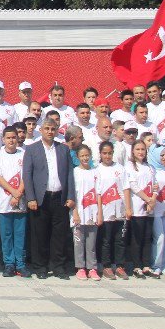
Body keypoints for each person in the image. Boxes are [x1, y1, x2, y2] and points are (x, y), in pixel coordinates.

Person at [22, 119, 74, 279]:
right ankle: (40, 267)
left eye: (53, 129)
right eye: (47, 128)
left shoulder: (63, 150)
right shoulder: (31, 149)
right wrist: (30, 197)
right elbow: (27, 175)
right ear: (41, 130)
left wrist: (71, 196)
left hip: (59, 197)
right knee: (40, 234)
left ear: (58, 130)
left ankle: (58, 267)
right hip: (40, 198)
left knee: (59, 235)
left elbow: (70, 175)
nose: (50, 131)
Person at [0, 127, 28, 277]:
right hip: (4, 202)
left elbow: (27, 175)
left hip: (20, 201)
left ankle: (20, 264)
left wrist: (18, 194)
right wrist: (13, 192)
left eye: (14, 137)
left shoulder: (24, 154)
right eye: (8, 138)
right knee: (6, 235)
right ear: (3, 139)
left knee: (20, 234)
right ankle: (9, 264)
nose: (11, 140)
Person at [96, 140, 129, 280]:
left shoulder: (120, 168)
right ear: (100, 154)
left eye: (110, 153)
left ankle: (120, 265)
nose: (107, 156)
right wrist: (100, 212)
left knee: (120, 239)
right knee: (106, 240)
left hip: (119, 210)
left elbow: (126, 188)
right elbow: (97, 192)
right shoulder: (97, 169)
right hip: (105, 210)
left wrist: (128, 208)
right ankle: (106, 266)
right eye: (105, 153)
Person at [124, 140, 156, 278]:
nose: (141, 152)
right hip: (137, 205)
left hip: (149, 206)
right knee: (136, 238)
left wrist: (152, 200)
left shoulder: (150, 167)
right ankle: (136, 265)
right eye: (138, 149)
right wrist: (147, 199)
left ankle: (146, 264)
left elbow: (155, 186)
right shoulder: (130, 166)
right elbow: (133, 186)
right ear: (133, 151)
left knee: (147, 237)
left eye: (143, 149)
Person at [71, 145, 101, 280]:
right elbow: (73, 194)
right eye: (82, 156)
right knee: (79, 242)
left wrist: (100, 212)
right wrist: (75, 212)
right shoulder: (74, 172)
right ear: (77, 157)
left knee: (91, 243)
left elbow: (99, 193)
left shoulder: (95, 172)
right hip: (78, 212)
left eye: (87, 155)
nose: (85, 158)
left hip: (92, 211)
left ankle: (92, 267)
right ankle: (80, 267)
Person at [150, 145, 165, 277]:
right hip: (156, 210)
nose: (164, 158)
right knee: (159, 238)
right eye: (161, 155)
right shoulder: (152, 170)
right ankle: (156, 265)